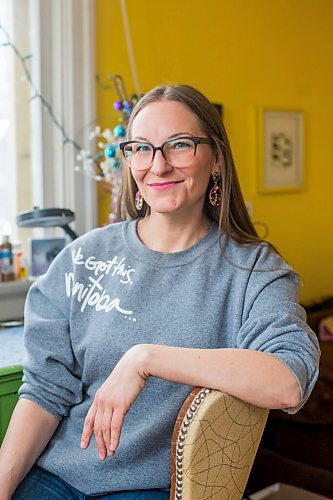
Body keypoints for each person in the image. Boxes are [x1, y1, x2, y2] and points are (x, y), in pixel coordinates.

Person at [0, 84, 320, 499]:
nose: (158, 165)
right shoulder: (82, 257)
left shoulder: (253, 270)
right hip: (54, 477)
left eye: (179, 145)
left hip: (155, 489)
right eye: (142, 148)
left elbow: (287, 381)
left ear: (217, 159)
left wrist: (145, 359)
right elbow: (45, 390)